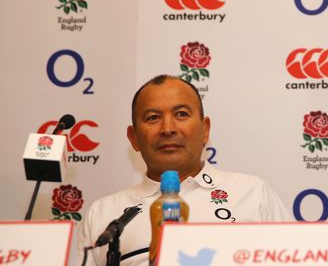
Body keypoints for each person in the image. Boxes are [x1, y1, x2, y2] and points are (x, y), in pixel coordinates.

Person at [77, 75, 291, 266]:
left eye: (181, 114)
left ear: (205, 130)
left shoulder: (253, 194)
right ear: (134, 138)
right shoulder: (104, 215)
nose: (168, 128)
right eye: (153, 117)